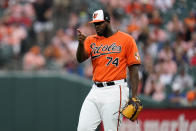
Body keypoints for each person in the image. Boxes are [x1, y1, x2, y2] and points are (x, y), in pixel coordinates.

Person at [76, 9, 141, 131]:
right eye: (95, 24)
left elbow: (134, 69)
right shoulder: (91, 40)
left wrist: (134, 97)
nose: (97, 26)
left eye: (99, 23)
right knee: (83, 128)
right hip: (95, 90)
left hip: (115, 90)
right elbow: (80, 59)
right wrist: (80, 44)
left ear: (108, 21)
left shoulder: (126, 39)